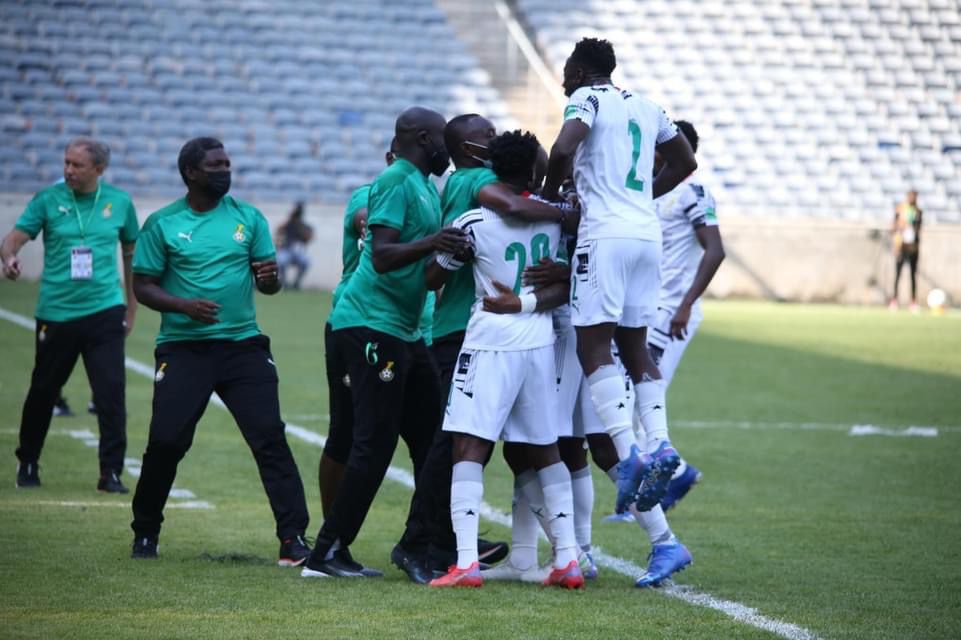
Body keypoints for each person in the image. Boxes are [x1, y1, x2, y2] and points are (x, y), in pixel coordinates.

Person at [541, 38, 697, 586]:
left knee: (593, 348)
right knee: (635, 348)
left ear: (582, 71)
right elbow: (686, 160)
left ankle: (634, 461)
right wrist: (644, 197)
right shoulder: (648, 104)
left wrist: (552, 192)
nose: (563, 82)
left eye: (566, 72)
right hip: (644, 235)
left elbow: (564, 148)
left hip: (604, 237)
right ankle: (662, 449)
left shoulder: (586, 99)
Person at [301, 107, 469, 579]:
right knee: (371, 443)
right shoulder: (396, 180)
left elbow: (424, 266)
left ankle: (427, 544)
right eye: (441, 140)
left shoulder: (424, 186)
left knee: (432, 441)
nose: (448, 151)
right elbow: (382, 254)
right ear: (422, 138)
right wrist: (436, 241)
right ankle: (326, 553)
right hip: (371, 326)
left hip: (409, 329)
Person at [128, 137, 311, 566]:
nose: (225, 170)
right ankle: (146, 531)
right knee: (167, 441)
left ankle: (293, 539)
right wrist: (183, 306)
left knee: (269, 439)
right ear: (191, 172)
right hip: (184, 348)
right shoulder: (162, 223)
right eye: (216, 165)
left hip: (243, 346)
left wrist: (269, 278)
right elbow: (143, 286)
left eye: (227, 163)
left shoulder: (248, 218)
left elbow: (269, 283)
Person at [407, 113, 567, 577]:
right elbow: (565, 278)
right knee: (543, 449)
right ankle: (569, 555)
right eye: (485, 134)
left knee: (464, 448)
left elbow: (433, 276)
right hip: (536, 338)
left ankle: (459, 559)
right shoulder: (541, 211)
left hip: (483, 337)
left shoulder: (478, 214)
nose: (491, 137)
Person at [1, 137, 138, 493]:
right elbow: (14, 237)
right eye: (66, 163)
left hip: (105, 310)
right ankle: (28, 461)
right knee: (44, 390)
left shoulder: (120, 203)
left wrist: (131, 310)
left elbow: (130, 258)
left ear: (99, 169)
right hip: (57, 312)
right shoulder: (48, 199)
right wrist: (9, 257)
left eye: (77, 165)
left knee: (110, 394)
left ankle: (110, 473)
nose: (68, 170)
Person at [645, 120, 724, 512]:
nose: (653, 152)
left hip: (671, 313)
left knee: (644, 395)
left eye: (660, 146)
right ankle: (661, 485)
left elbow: (715, 250)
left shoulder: (692, 191)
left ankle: (671, 479)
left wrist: (686, 304)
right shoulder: (656, 192)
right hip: (650, 311)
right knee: (637, 397)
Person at [890, 190, 922, 312]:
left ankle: (913, 301)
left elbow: (918, 229)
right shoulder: (900, 210)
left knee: (913, 275)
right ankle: (895, 299)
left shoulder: (918, 212)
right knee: (898, 274)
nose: (912, 199)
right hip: (902, 246)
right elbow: (894, 227)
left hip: (912, 247)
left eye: (914, 196)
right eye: (911, 196)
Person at [274, 201, 314, 289]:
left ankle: (296, 283)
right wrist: (290, 219)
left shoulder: (304, 225)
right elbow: (278, 231)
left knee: (306, 262)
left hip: (298, 251)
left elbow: (308, 238)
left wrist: (298, 224)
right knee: (281, 261)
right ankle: (284, 283)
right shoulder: (287, 224)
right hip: (286, 249)